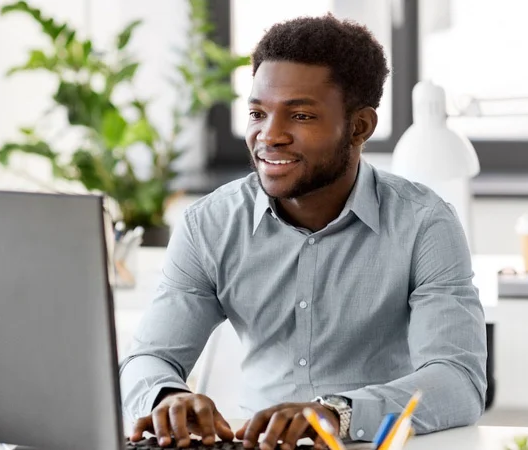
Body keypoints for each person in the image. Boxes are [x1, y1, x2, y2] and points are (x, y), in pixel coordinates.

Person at [120, 14, 487, 449]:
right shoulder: (210, 224)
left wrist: (336, 412)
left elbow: (457, 381)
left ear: (360, 127)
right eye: (257, 112)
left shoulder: (424, 224)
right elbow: (149, 358)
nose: (268, 136)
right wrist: (167, 396)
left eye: (300, 115)